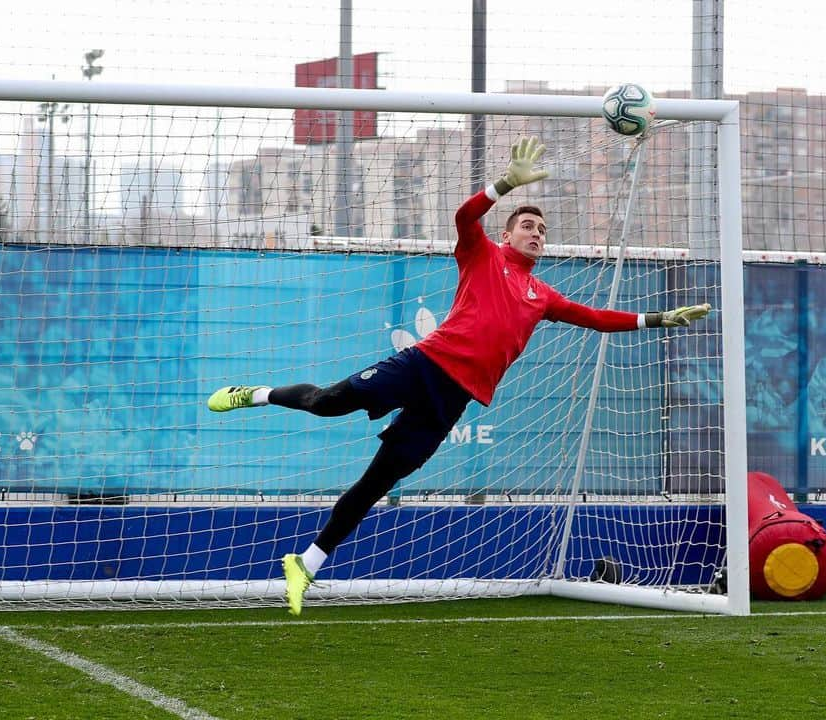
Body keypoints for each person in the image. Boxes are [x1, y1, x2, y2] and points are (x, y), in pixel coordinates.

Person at [206, 136, 710, 615]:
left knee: (378, 481)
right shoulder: (481, 253)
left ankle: (306, 565)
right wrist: (505, 185)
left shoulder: (543, 296)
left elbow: (597, 318)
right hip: (423, 364)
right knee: (327, 402)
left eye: (543, 231)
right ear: (508, 234)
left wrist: (658, 319)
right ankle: (257, 394)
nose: (536, 234)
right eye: (528, 227)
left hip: (453, 400)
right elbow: (465, 215)